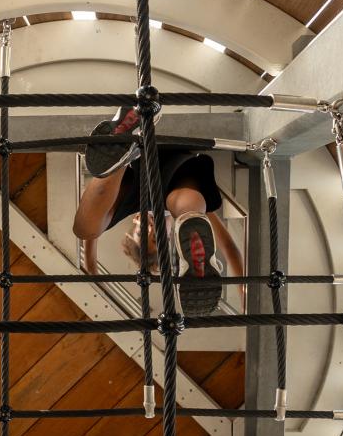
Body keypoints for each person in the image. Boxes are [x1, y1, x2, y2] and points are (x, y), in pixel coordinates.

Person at [73, 107, 244, 316]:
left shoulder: (134, 206)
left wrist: (92, 268)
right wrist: (244, 291)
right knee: (185, 205)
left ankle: (117, 143)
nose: (151, 230)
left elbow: (91, 244)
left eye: (143, 234)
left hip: (139, 169)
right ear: (171, 235)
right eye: (157, 238)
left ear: (136, 220)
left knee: (86, 230)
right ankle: (191, 225)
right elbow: (227, 246)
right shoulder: (176, 208)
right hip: (179, 172)